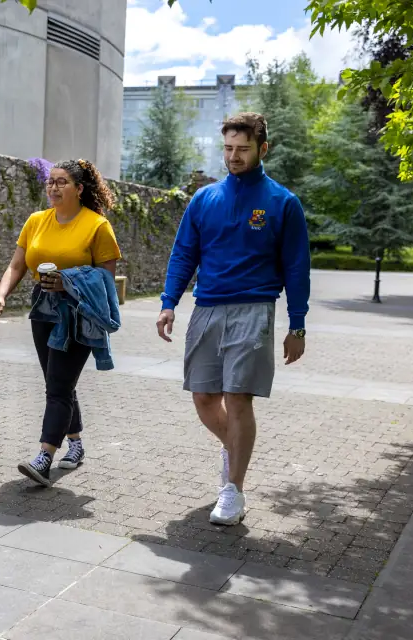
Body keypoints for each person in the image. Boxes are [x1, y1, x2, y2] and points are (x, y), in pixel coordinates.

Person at [155, 112, 310, 526]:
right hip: (206, 308)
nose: (234, 156)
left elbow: (297, 268)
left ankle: (233, 490)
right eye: (228, 149)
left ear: (263, 148)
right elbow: (184, 253)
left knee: (238, 397)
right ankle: (238, 448)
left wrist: (297, 325)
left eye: (242, 149)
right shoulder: (205, 199)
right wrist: (169, 301)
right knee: (204, 398)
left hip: (255, 308)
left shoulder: (282, 203)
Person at [0, 159, 122, 487]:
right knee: (57, 381)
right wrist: (1, 295)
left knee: (59, 385)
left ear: (79, 189)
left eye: (62, 182)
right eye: (51, 181)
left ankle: (45, 456)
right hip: (43, 308)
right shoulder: (36, 221)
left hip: (79, 314)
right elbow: (17, 265)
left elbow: (106, 279)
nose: (53, 187)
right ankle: (75, 444)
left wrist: (69, 283)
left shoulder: (97, 226)